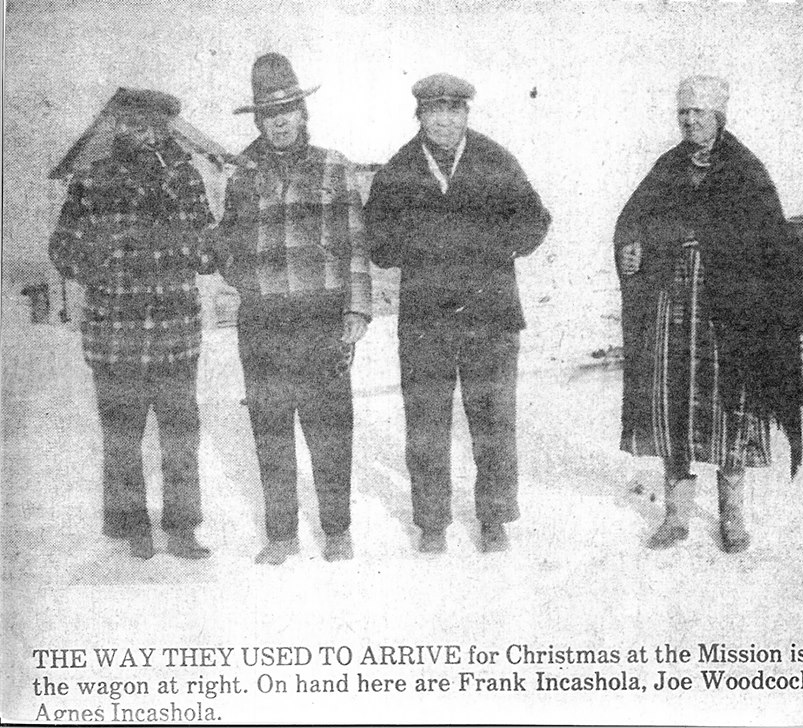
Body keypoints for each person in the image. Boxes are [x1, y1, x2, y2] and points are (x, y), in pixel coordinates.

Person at [614, 76, 803, 553]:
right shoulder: (667, 167)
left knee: (728, 407)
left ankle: (732, 517)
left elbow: (770, 241)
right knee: (671, 401)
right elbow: (631, 217)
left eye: (699, 113)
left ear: (719, 116)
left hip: (728, 310)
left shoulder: (745, 169)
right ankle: (676, 514)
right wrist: (630, 247)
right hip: (671, 303)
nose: (689, 120)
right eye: (684, 112)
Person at [364, 73, 551, 554]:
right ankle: (431, 522)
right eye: (433, 111)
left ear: (466, 113)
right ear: (420, 116)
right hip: (426, 322)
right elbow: (379, 246)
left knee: (493, 421)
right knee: (426, 424)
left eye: (454, 110)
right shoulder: (398, 170)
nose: (444, 120)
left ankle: (494, 519)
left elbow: (535, 221)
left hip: (490, 317)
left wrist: (490, 247)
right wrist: (427, 246)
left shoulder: (495, 159)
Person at [214, 53, 371, 565]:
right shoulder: (242, 174)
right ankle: (281, 534)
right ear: (258, 120)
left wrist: (355, 311)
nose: (280, 121)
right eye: (269, 113)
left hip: (321, 318)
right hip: (263, 322)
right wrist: (256, 283)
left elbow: (356, 246)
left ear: (303, 113)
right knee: (271, 427)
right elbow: (228, 250)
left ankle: (337, 530)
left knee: (330, 429)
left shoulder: (335, 167)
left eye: (288, 111)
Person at [49, 88, 216, 560]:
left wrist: (188, 245)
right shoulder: (92, 179)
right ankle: (131, 526)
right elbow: (62, 248)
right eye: (131, 124)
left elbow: (207, 249)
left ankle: (182, 529)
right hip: (114, 334)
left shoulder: (184, 178)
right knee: (122, 437)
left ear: (164, 128)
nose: (140, 134)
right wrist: (102, 267)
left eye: (150, 126)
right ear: (119, 127)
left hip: (175, 333)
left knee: (181, 436)